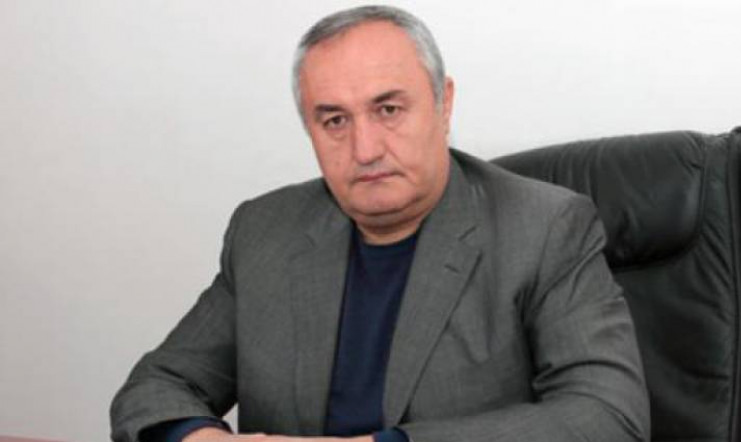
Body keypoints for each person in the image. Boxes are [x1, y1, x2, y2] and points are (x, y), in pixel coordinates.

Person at [110, 5, 650, 442]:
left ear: (443, 104)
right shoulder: (264, 231)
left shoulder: (545, 227)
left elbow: (607, 417)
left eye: (388, 110)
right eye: (335, 120)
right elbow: (156, 386)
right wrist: (201, 438)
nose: (365, 149)